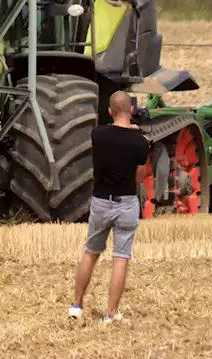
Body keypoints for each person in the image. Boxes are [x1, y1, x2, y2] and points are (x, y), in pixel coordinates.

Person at [68, 90, 151, 323]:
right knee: (120, 258)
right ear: (132, 110)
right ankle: (111, 314)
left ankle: (76, 306)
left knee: (91, 253)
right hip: (126, 204)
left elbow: (111, 133)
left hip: (101, 202)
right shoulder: (140, 144)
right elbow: (138, 178)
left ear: (109, 112)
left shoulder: (98, 135)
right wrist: (138, 137)